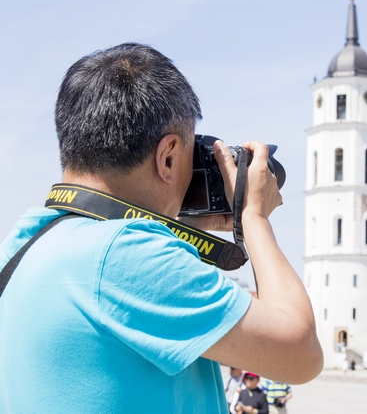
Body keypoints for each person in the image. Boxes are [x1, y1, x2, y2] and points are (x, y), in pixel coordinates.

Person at [0, 43, 323, 413]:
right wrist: (253, 217)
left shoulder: (23, 244)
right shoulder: (127, 256)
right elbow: (301, 353)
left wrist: (170, 221)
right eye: (191, 154)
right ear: (168, 155)